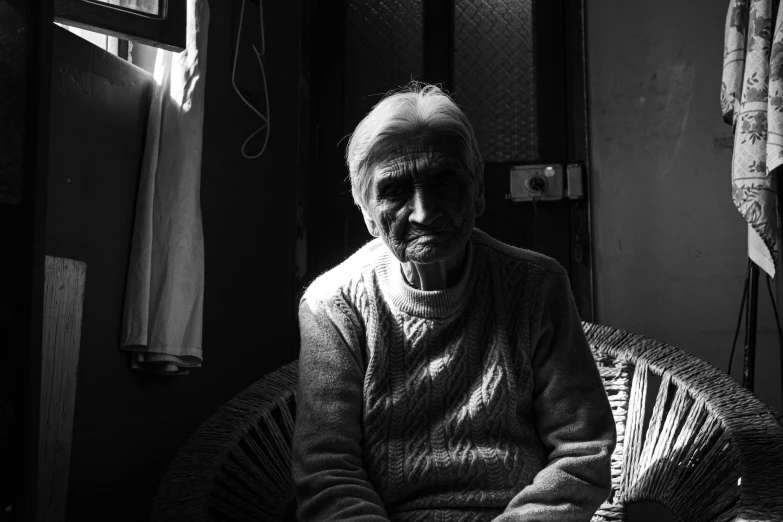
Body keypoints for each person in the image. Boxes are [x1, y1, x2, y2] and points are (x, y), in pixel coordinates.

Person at [291, 83, 616, 522]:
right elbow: (327, 474)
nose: (424, 212)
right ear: (368, 213)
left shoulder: (536, 286)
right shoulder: (332, 305)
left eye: (445, 182)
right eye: (394, 191)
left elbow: (582, 450)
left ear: (478, 192)